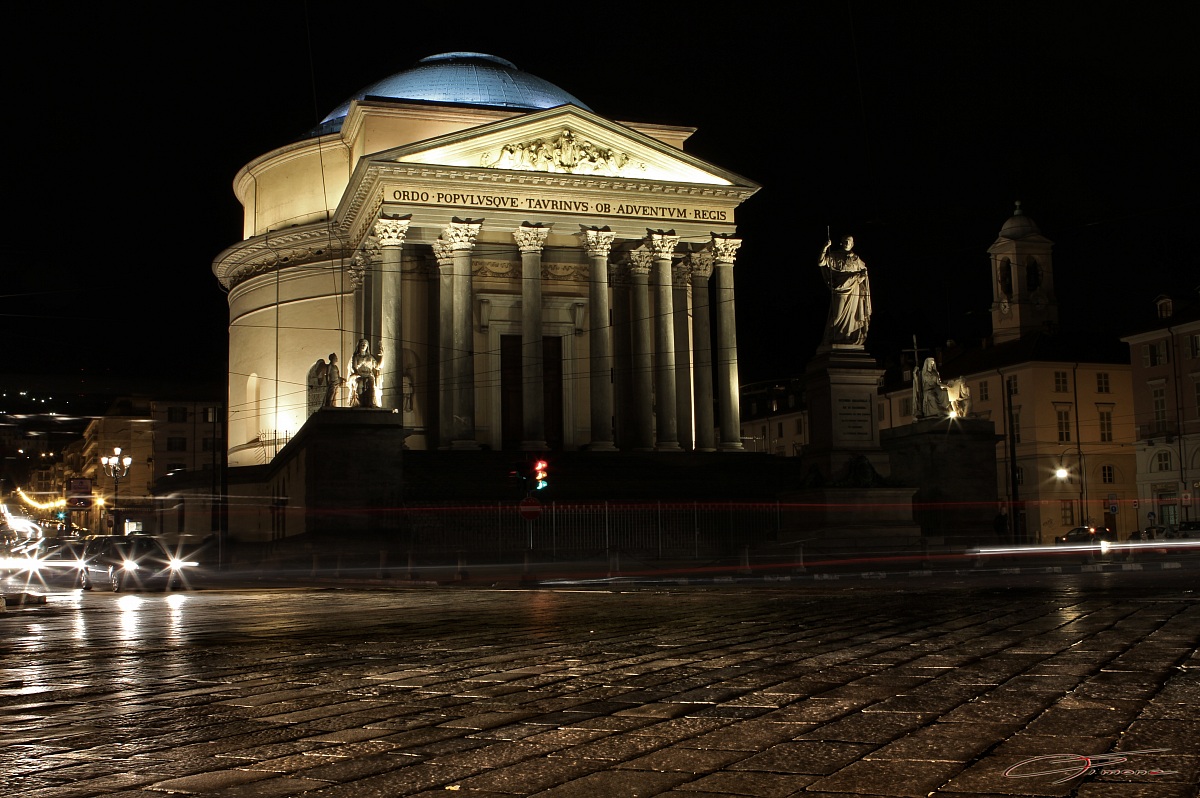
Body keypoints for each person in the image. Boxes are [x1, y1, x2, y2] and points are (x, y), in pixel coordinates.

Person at [818, 235, 872, 347]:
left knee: (852, 314)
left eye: (850, 241)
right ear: (841, 242)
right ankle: (829, 337)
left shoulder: (856, 258)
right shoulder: (835, 255)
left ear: (852, 244)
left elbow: (864, 269)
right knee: (837, 315)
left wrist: (861, 277)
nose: (848, 242)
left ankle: (846, 337)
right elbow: (821, 262)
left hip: (854, 288)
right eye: (846, 241)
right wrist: (825, 247)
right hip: (840, 289)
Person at [349, 339, 383, 408]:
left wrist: (382, 356)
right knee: (359, 385)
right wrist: (357, 372)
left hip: (369, 375)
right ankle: (360, 403)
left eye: (365, 344)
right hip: (359, 375)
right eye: (362, 344)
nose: (363, 345)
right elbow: (353, 367)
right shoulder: (356, 356)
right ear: (359, 346)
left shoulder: (370, 357)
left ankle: (370, 402)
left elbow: (378, 366)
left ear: (367, 346)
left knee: (371, 386)